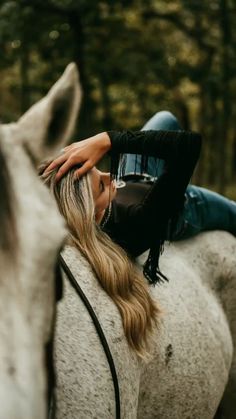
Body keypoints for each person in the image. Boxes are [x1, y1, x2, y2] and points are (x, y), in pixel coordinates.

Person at [40, 121, 201, 357]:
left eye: (100, 170)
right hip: (190, 202)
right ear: (90, 216)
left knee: (164, 117)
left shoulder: (92, 205)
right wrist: (107, 140)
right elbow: (189, 144)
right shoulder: (134, 227)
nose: (109, 176)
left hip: (135, 174)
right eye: (102, 186)